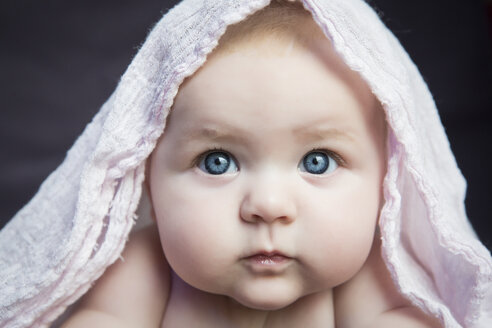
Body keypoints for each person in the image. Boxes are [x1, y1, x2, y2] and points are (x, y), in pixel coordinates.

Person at [0, 1, 490, 327]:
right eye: (217, 162)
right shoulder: (146, 266)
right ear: (146, 178)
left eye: (317, 161)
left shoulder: (367, 275)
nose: (268, 206)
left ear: (387, 180)